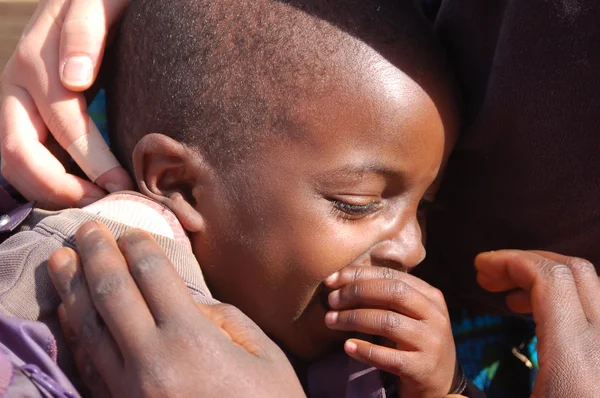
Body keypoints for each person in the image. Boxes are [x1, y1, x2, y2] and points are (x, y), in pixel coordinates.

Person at [0, 0, 470, 396]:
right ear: (178, 184)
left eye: (425, 206)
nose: (413, 248)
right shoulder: (42, 309)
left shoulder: (376, 351)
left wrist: (447, 387)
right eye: (358, 201)